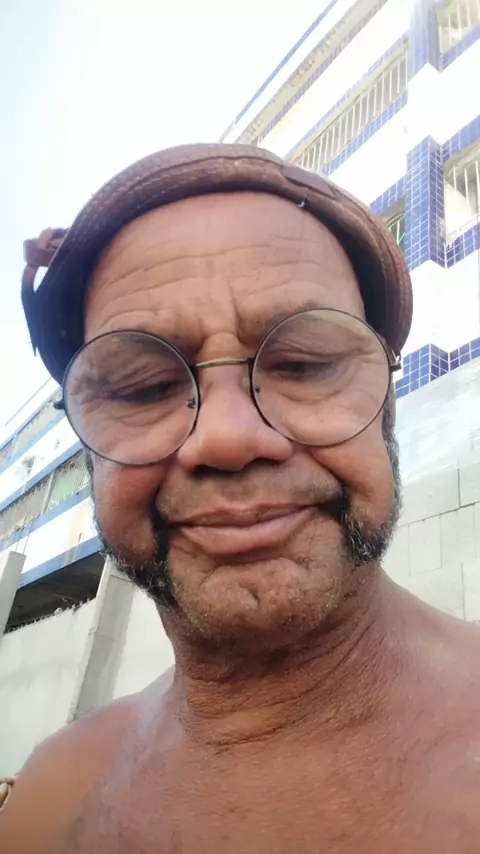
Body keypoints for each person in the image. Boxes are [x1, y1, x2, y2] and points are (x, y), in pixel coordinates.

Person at [1, 144, 479, 853]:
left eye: (305, 365)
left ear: (386, 403)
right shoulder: (49, 803)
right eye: (142, 388)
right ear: (89, 446)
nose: (227, 438)